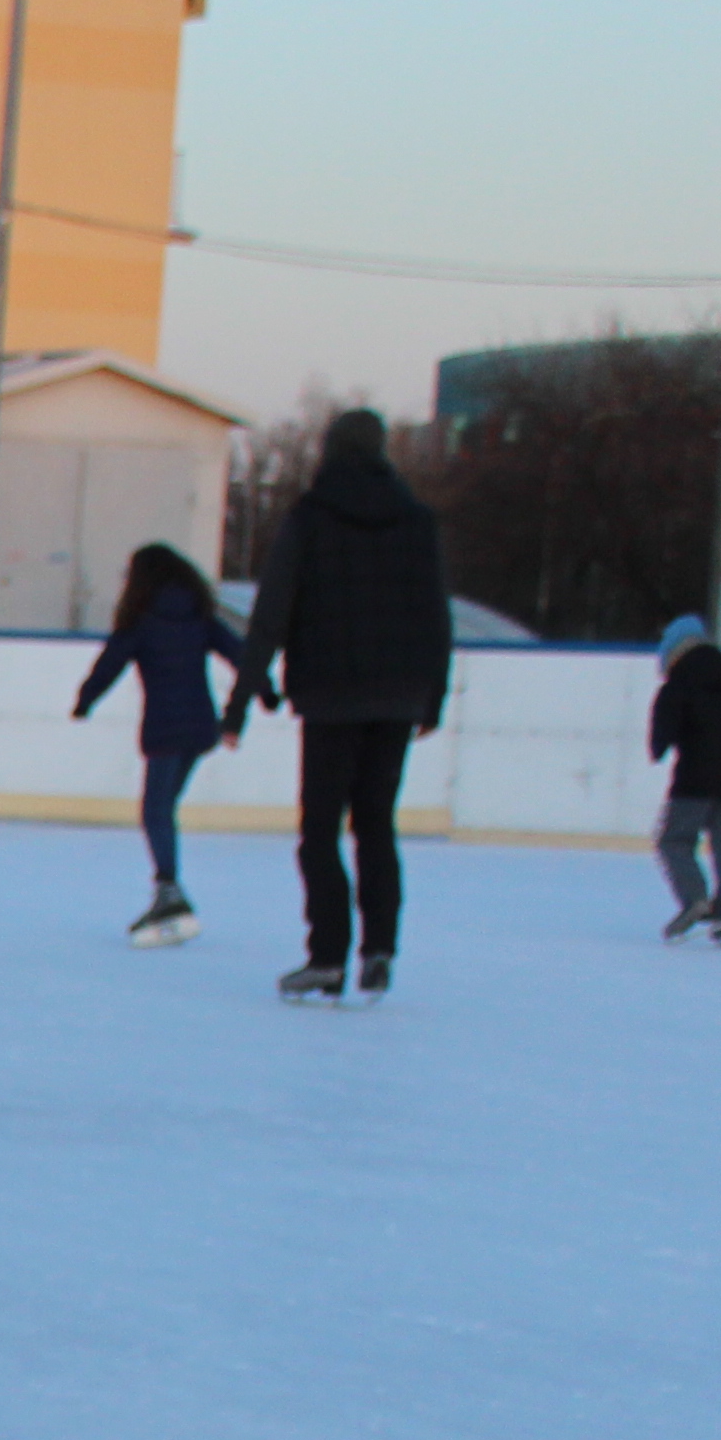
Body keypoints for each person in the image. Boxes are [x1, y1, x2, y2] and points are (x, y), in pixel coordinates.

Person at [230, 408, 450, 1004]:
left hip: (329, 694)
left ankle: (328, 956)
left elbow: (272, 612)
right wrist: (434, 695)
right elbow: (435, 614)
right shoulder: (416, 521)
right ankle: (379, 949)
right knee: (376, 824)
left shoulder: (311, 517)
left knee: (321, 830)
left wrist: (240, 700)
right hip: (398, 694)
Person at [70, 541, 255, 947]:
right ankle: (167, 890)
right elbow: (240, 653)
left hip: (164, 730)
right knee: (163, 809)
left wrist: (85, 699)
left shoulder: (140, 619)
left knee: (155, 810)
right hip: (201, 728)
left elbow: (110, 663)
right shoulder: (200, 615)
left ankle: (168, 890)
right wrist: (269, 691)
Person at [640, 617, 721, 947]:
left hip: (695, 778)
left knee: (673, 840)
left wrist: (659, 745)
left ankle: (695, 899)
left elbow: (660, 740)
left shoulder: (676, 686)